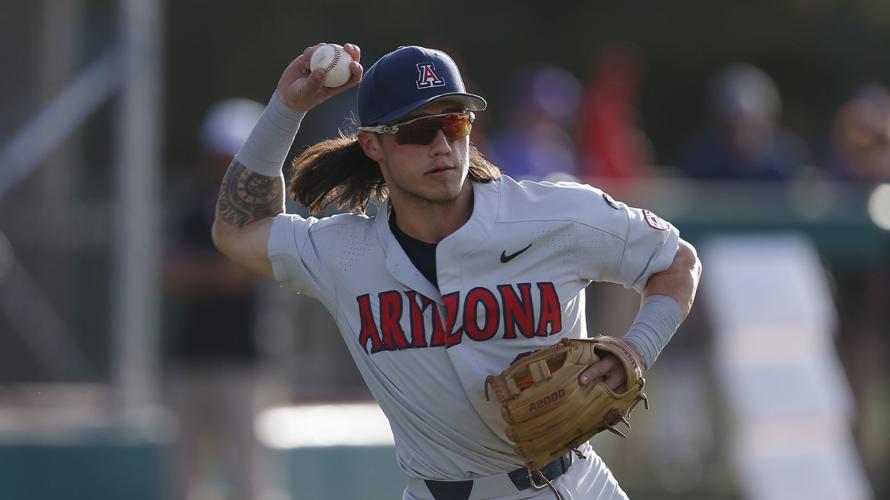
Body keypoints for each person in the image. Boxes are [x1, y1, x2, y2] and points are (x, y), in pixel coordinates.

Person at [211, 42, 702, 500]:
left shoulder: (554, 216)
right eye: (418, 131)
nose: (443, 146)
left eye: (455, 124)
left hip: (565, 486)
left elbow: (677, 261)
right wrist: (286, 108)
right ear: (372, 145)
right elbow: (237, 227)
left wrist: (636, 351)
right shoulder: (345, 252)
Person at [164, 98, 273, 500]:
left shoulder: (260, 209)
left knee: (250, 477)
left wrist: (196, 272)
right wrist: (213, 272)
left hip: (241, 361)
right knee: (183, 478)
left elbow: (236, 278)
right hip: (192, 356)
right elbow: (171, 273)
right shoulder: (193, 207)